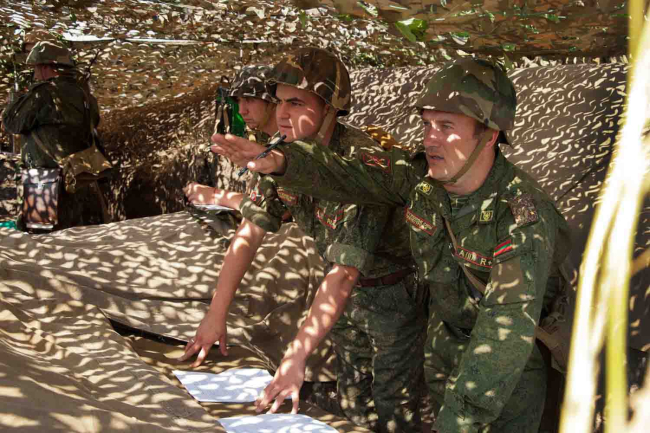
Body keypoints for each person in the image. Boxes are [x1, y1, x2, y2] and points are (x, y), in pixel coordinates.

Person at [212, 58, 572, 433]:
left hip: (507, 371)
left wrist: (455, 423)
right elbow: (349, 173)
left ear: (490, 135)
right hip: (444, 344)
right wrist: (280, 162)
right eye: (427, 124)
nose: (430, 138)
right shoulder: (421, 178)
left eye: (446, 126)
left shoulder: (522, 216)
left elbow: (505, 330)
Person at [182, 48, 428, 433]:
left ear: (329, 108)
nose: (282, 113)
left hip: (392, 296)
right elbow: (250, 231)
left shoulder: (359, 161)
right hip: (345, 300)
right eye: (279, 102)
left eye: (295, 103)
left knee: (394, 407)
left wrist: (296, 357)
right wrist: (216, 313)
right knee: (354, 402)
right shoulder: (282, 153)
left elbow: (344, 272)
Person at [2, 41, 105, 231]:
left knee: (41, 238)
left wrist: (14, 101)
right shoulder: (83, 94)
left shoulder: (44, 93)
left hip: (43, 178)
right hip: (80, 176)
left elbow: (12, 122)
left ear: (46, 67)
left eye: (36, 68)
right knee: (80, 238)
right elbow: (94, 122)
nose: (35, 74)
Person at [183, 65, 278, 209]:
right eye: (239, 101)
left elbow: (274, 210)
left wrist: (214, 195)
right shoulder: (265, 139)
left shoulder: (291, 142)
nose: (241, 110)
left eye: (249, 100)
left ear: (272, 101)